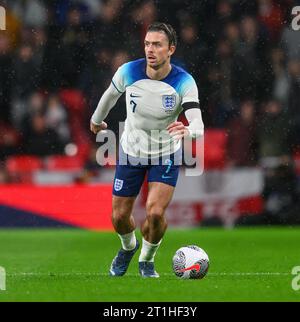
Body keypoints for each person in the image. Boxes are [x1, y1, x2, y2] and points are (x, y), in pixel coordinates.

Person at [90, 22, 204, 278]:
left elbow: (198, 123)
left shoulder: (184, 81)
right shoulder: (128, 71)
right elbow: (109, 96)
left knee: (154, 213)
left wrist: (190, 131)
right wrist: (96, 120)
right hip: (131, 151)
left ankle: (147, 259)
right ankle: (128, 247)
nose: (150, 50)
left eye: (157, 45)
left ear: (171, 49)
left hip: (165, 153)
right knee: (119, 217)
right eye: (147, 44)